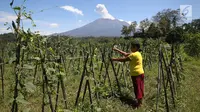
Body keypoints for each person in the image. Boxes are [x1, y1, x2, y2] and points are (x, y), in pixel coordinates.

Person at [112, 41, 144, 108]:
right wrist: (116, 50)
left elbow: (124, 59)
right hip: (140, 73)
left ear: (136, 48)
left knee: (137, 88)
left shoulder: (134, 55)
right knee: (140, 87)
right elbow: (126, 54)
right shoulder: (137, 53)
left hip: (136, 74)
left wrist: (114, 59)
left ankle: (139, 104)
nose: (131, 48)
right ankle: (140, 101)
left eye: (132, 47)